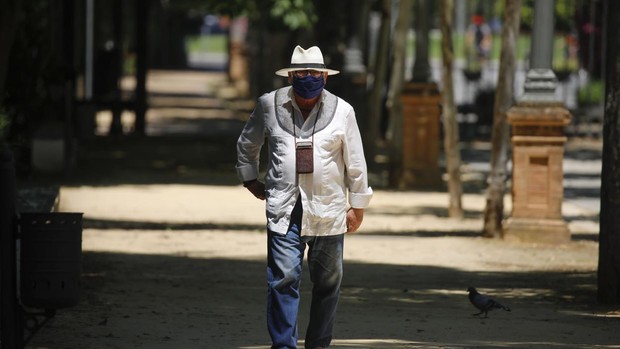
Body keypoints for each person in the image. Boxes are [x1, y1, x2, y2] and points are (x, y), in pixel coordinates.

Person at [236, 45, 373, 349]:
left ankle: (318, 345)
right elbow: (248, 144)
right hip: (284, 209)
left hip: (329, 211)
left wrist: (358, 206)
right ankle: (284, 345)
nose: (308, 77)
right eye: (302, 72)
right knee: (282, 280)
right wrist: (250, 179)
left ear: (324, 77)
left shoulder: (343, 111)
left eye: (314, 72)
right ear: (291, 76)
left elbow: (356, 161)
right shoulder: (268, 105)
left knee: (328, 285)